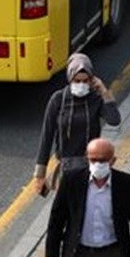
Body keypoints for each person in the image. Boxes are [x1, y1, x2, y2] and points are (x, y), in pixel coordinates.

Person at [33, 53, 122, 196]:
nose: (81, 85)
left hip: (91, 167)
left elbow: (114, 120)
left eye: (85, 81)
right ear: (70, 78)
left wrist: (104, 91)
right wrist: (39, 174)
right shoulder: (58, 99)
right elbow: (47, 135)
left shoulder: (95, 99)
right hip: (66, 169)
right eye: (77, 81)